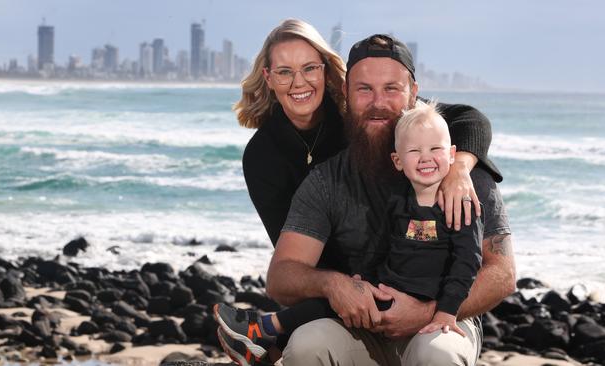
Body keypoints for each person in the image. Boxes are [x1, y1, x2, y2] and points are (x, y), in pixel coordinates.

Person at [224, 19, 507, 365]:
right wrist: (334, 286)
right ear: (344, 92)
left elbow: (502, 273)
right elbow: (285, 273)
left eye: (392, 89)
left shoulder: (454, 165)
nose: (378, 103)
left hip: (442, 316)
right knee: (307, 344)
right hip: (356, 314)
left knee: (439, 354)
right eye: (364, 90)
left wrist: (429, 312)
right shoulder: (319, 175)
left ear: (413, 93)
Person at [214, 100, 484, 357]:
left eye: (435, 149)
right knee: (335, 301)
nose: (425, 158)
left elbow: (467, 263)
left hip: (429, 298)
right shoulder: (399, 202)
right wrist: (360, 280)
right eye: (415, 151)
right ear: (398, 161)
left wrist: (445, 311)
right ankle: (261, 331)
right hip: (387, 290)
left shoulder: (459, 206)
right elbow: (385, 247)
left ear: (451, 154)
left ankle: (265, 331)